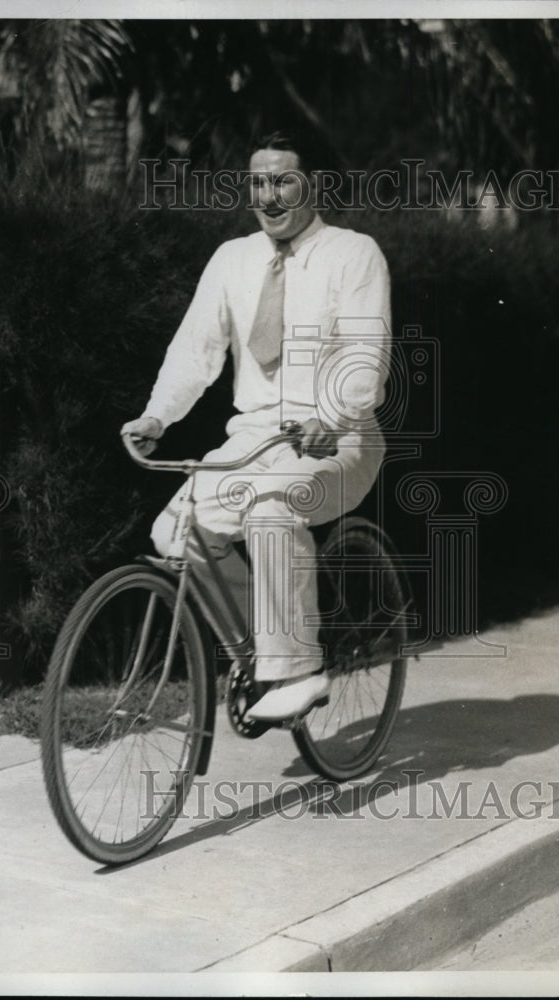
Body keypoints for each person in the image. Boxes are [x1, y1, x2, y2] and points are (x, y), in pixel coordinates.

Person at [122, 129, 391, 722]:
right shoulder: (233, 259)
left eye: (283, 182)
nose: (268, 197)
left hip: (339, 439)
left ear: (314, 185)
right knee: (176, 531)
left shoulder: (354, 253)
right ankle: (257, 654)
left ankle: (298, 668)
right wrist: (156, 415)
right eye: (257, 183)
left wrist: (333, 414)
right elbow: (197, 348)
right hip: (254, 439)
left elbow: (365, 357)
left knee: (271, 508)